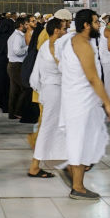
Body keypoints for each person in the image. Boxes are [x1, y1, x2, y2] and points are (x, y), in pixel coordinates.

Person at [59, 9, 110, 200]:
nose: (98, 25)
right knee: (80, 141)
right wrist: (108, 103)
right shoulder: (82, 44)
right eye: (95, 22)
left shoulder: (71, 41)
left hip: (75, 98)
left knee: (85, 141)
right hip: (81, 101)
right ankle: (78, 187)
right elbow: (92, 77)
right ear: (86, 25)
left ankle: (73, 172)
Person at [28, 17, 67, 178]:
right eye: (64, 28)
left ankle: (66, 161)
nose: (65, 31)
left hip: (50, 90)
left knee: (57, 127)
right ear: (56, 30)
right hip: (54, 91)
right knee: (47, 128)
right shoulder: (55, 47)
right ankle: (35, 166)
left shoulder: (45, 45)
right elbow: (63, 68)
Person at [6, 16, 30, 118]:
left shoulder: (17, 35)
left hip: (13, 65)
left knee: (14, 90)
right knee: (25, 88)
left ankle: (12, 113)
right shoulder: (17, 37)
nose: (27, 26)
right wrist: (27, 48)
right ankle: (18, 111)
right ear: (21, 25)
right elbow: (17, 51)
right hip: (16, 65)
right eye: (26, 24)